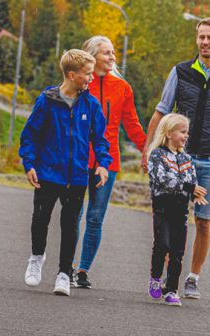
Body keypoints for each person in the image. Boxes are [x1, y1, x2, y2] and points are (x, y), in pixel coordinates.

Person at [142, 17, 210, 299]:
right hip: (176, 158)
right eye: (202, 37)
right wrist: (150, 149)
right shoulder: (181, 71)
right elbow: (162, 110)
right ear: (196, 39)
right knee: (172, 219)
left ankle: (192, 277)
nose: (206, 42)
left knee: (204, 221)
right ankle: (168, 276)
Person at [19, 49, 112, 296]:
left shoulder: (91, 105)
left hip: (77, 177)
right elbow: (29, 135)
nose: (92, 78)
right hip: (47, 174)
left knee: (70, 224)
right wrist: (29, 164)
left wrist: (102, 163)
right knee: (40, 219)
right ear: (72, 75)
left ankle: (63, 273)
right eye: (88, 74)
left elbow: (100, 139)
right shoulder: (47, 100)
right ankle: (37, 258)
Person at [71, 36, 147, 289]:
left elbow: (132, 124)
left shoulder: (122, 88)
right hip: (79, 159)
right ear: (92, 56)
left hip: (108, 161)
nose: (113, 57)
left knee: (95, 217)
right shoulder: (80, 84)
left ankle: (82, 270)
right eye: (107, 53)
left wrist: (148, 151)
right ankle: (65, 267)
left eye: (113, 53)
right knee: (73, 214)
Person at [145, 113, 208, 307]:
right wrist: (189, 187)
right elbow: (162, 179)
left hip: (181, 210)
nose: (186, 135)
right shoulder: (156, 155)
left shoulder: (187, 158)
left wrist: (196, 194)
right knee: (162, 244)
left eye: (187, 132)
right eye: (182, 131)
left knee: (177, 252)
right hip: (163, 207)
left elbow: (192, 180)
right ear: (169, 133)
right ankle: (155, 278)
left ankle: (172, 289)